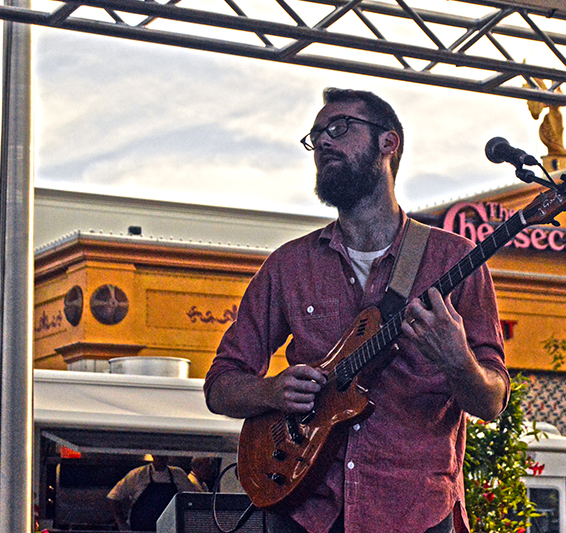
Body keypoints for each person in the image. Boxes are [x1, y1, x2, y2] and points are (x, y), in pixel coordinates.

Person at [204, 88, 510, 533]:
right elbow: (220, 386)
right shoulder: (289, 265)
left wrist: (458, 361)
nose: (323, 142)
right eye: (316, 136)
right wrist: (272, 393)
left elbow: (493, 402)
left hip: (414, 511)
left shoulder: (452, 261)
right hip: (305, 509)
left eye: (339, 128)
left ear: (389, 143)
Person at [107, 455, 199, 531]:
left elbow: (193, 497)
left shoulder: (178, 474)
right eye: (159, 455)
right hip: (140, 529)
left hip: (170, 529)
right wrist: (121, 523)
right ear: (153, 455)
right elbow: (113, 497)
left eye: (164, 455)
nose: (161, 458)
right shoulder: (138, 474)